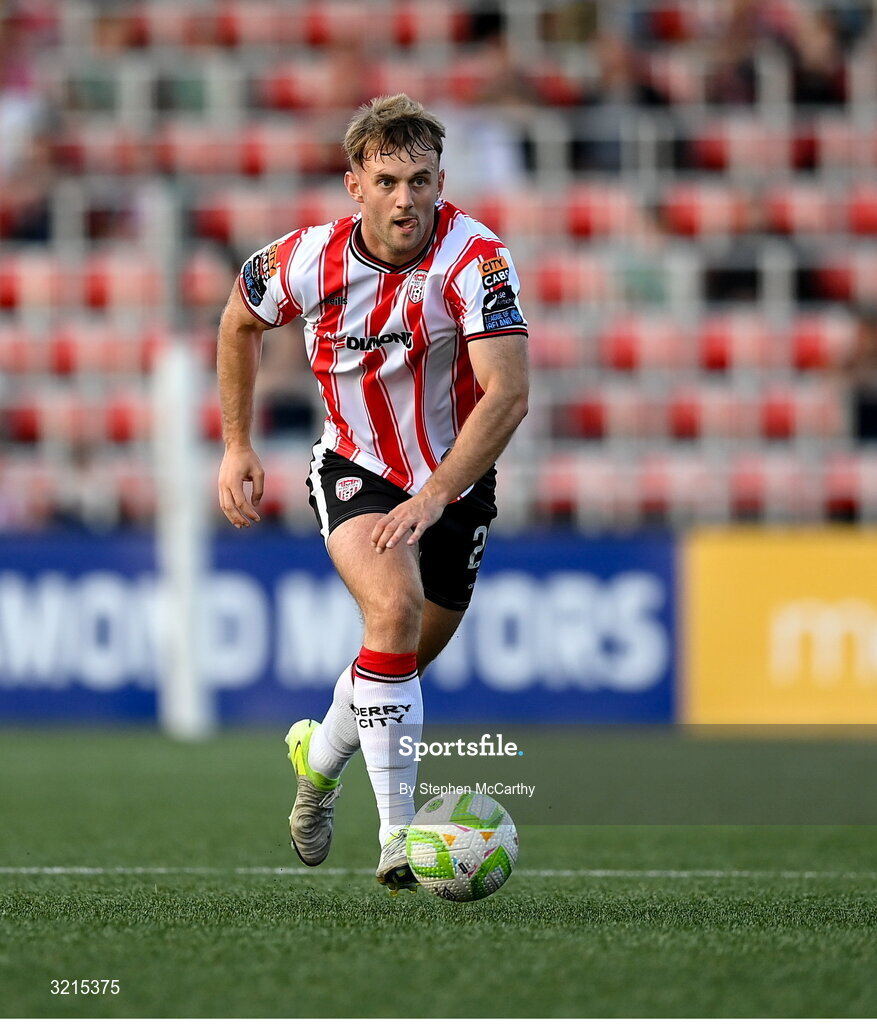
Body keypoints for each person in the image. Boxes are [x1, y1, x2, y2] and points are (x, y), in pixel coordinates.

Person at [216, 94, 529, 891]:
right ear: (353, 183)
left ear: (440, 181)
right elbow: (238, 321)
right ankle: (398, 836)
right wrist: (237, 444)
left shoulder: (477, 258)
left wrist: (434, 496)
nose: (405, 199)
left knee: (392, 665)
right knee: (389, 613)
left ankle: (314, 764)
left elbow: (508, 393)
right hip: (353, 467)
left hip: (453, 482)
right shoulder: (304, 259)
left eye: (420, 180)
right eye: (386, 180)